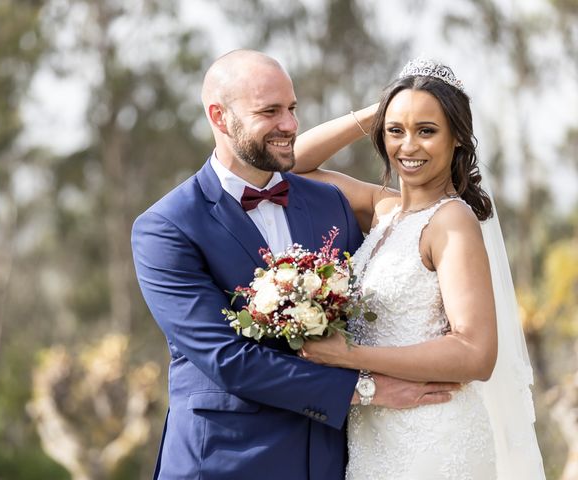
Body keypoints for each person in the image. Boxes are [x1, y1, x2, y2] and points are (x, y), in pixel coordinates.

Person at [131, 50, 458, 480]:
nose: (289, 125)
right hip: (223, 461)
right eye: (270, 111)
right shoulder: (167, 226)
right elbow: (227, 359)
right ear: (219, 116)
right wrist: (369, 389)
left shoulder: (331, 204)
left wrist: (400, 107)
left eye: (292, 108)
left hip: (328, 461)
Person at [293, 58, 545, 479]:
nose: (408, 146)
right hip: (375, 436)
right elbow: (289, 164)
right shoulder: (383, 210)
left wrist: (350, 356)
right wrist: (385, 108)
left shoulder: (452, 221)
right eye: (396, 131)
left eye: (426, 131)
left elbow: (475, 352)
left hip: (434, 437)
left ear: (457, 140)